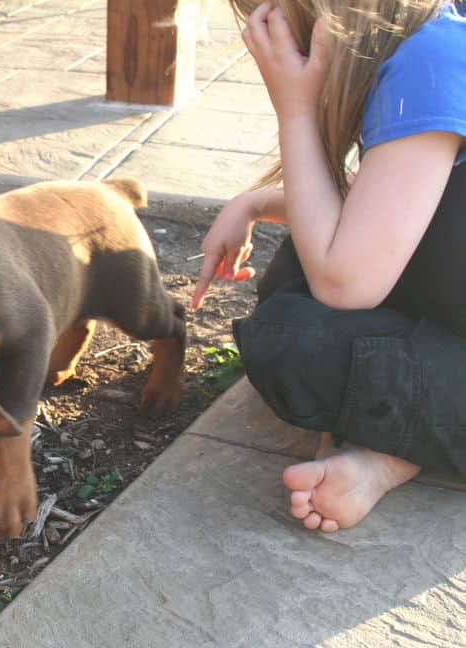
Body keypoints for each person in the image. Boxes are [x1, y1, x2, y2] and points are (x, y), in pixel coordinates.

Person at [193, 0, 466, 532]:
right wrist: (252, 202)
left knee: (293, 340)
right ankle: (397, 440)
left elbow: (346, 283)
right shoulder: (430, 35)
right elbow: (393, 201)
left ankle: (393, 448)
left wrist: (294, 109)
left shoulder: (432, 58)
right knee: (297, 276)